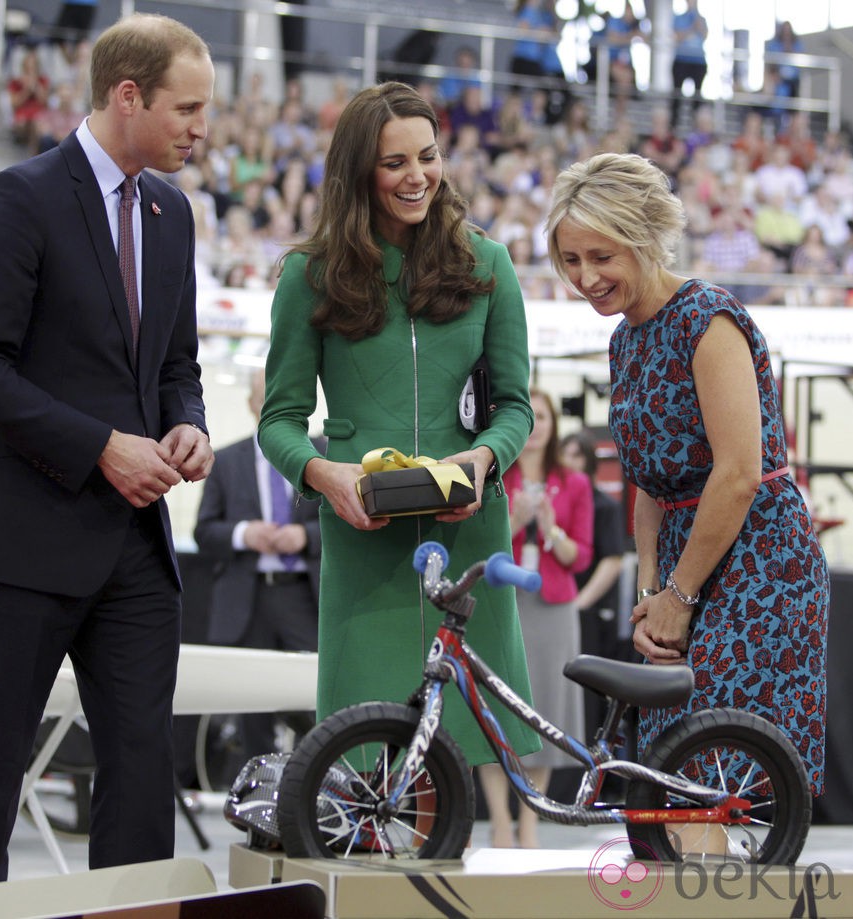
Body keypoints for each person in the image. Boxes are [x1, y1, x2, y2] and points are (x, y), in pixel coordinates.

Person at [0, 13, 216, 887]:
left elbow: (176, 364)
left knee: (140, 775)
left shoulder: (172, 214)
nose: (202, 128)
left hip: (136, 550)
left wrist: (188, 421)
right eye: (187, 108)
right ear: (127, 96)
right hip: (26, 539)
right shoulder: (21, 197)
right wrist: (100, 447)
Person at [257, 81, 541, 785]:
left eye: (429, 155)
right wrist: (325, 475)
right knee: (367, 762)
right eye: (394, 163)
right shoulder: (309, 274)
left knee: (454, 768)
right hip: (365, 541)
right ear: (359, 172)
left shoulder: (489, 264)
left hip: (468, 534)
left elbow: (515, 407)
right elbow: (280, 420)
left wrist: (483, 460)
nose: (418, 176)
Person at [544, 153, 829, 823]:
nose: (586, 277)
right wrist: (651, 592)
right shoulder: (625, 341)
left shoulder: (709, 319)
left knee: (711, 770)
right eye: (571, 260)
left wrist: (679, 592)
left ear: (643, 238)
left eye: (601, 255)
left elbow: (738, 474)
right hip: (683, 557)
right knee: (665, 768)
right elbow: (646, 481)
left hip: (759, 558)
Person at [478, 388, 593, 848]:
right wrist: (514, 520)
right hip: (500, 601)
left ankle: (530, 818)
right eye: (531, 415)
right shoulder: (492, 476)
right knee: (494, 710)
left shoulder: (575, 483)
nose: (538, 424)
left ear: (552, 424)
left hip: (552, 607)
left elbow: (578, 557)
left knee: (543, 710)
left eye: (545, 416)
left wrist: (548, 527)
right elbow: (481, 546)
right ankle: (500, 821)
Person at [193, 369, 322, 761]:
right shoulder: (226, 461)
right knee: (253, 715)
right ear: (251, 404)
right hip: (249, 600)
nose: (274, 408)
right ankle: (255, 810)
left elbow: (349, 524)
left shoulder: (324, 457)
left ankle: (312, 793)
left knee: (316, 704)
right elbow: (205, 531)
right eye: (266, 398)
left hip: (306, 597)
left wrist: (306, 538)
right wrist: (244, 534)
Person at [559, 429, 628, 737]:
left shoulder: (604, 506)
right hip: (559, 605)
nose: (568, 461)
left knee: (589, 694)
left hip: (591, 612)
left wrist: (580, 602)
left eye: (576, 455)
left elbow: (612, 561)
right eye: (565, 454)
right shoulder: (557, 502)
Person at [670, 0, 708, 129]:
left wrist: (695, 17)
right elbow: (677, 37)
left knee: (697, 96)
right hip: (681, 60)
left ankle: (696, 126)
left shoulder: (701, 19)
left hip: (698, 62)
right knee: (676, 94)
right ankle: (673, 125)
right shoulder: (678, 18)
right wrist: (691, 28)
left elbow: (705, 34)